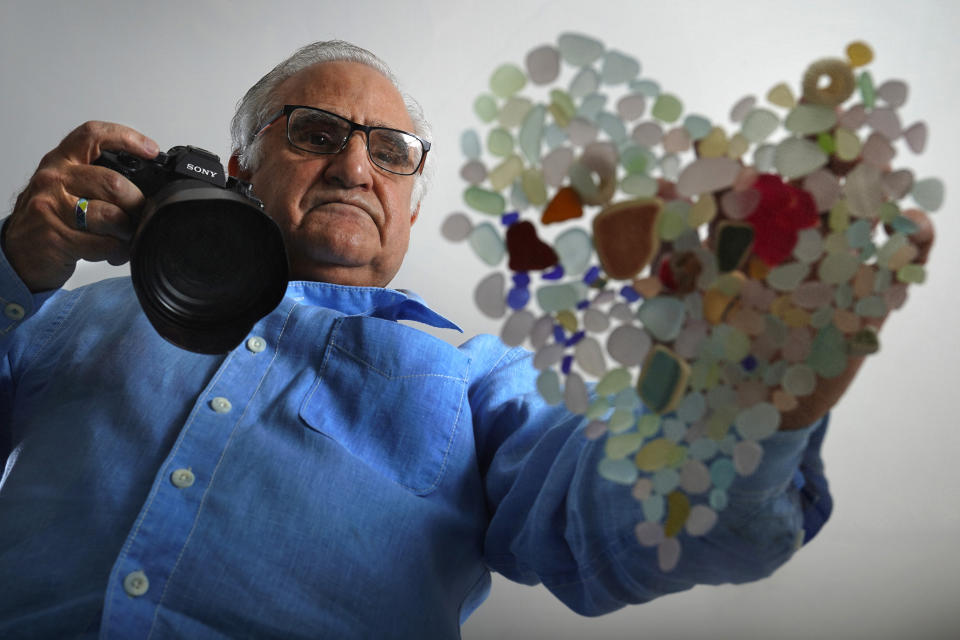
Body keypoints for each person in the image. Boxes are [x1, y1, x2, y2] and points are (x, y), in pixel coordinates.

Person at [0, 40, 931, 639]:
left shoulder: (480, 379)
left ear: (410, 204)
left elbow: (623, 520)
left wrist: (764, 378)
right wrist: (12, 273)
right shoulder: (78, 314)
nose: (357, 164)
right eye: (318, 132)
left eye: (391, 152)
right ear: (241, 169)